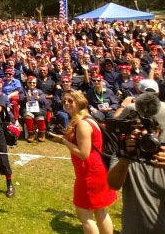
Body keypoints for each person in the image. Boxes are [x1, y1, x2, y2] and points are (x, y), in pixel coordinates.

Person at [107, 92, 165, 233]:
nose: (136, 132)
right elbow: (113, 185)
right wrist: (126, 157)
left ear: (156, 132)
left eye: (142, 128)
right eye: (133, 129)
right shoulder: (122, 156)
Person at [48, 90, 116, 234]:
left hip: (90, 172)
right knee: (100, 210)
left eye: (70, 101)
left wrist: (63, 140)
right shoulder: (86, 119)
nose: (66, 103)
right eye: (64, 100)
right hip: (97, 169)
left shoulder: (83, 124)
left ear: (80, 102)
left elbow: (83, 154)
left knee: (84, 214)